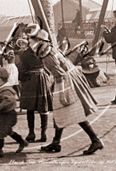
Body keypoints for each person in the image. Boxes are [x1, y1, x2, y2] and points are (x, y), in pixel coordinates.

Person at [25, 26, 103, 155]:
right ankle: (56, 142)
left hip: (65, 80)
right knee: (60, 112)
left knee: (72, 111)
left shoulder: (45, 52)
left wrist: (61, 94)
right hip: (70, 77)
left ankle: (95, 140)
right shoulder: (50, 48)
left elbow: (59, 73)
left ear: (38, 41)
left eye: (31, 40)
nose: (29, 42)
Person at [18, 24, 53, 143]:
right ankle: (38, 133)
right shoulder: (45, 51)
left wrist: (23, 78)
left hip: (31, 81)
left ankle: (36, 133)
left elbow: (22, 70)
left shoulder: (25, 54)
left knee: (33, 108)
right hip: (41, 79)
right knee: (39, 108)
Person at [0, 67, 29, 157]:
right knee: (9, 131)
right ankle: (22, 141)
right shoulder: (2, 89)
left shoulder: (6, 90)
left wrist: (0, 106)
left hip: (8, 116)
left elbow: (10, 100)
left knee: (1, 132)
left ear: (0, 80)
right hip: (5, 116)